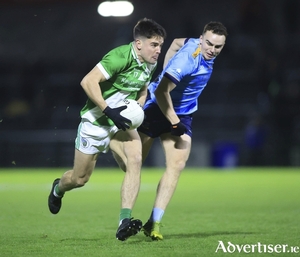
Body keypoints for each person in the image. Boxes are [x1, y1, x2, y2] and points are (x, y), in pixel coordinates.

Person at [47, 18, 167, 241]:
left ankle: (124, 221)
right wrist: (108, 110)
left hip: (120, 122)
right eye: (154, 45)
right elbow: (88, 81)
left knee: (135, 161)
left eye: (160, 45)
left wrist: (138, 107)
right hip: (96, 121)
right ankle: (58, 189)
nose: (159, 50)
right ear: (138, 43)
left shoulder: (150, 61)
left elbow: (143, 87)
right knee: (79, 179)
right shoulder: (119, 56)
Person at [137, 21, 228, 240]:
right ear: (201, 38)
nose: (212, 50)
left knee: (177, 164)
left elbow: (177, 42)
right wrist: (174, 122)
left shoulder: (192, 45)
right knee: (131, 163)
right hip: (156, 108)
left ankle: (154, 222)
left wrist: (167, 67)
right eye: (208, 44)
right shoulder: (190, 59)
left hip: (181, 113)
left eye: (218, 47)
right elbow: (161, 92)